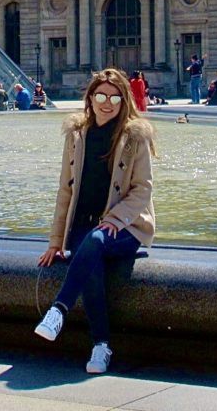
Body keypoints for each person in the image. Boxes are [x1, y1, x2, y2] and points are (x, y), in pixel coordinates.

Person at [35, 69, 157, 375]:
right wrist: (54, 241)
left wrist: (115, 219)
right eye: (101, 95)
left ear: (124, 99)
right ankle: (101, 346)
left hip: (125, 227)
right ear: (90, 98)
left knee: (95, 241)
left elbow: (143, 189)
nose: (107, 103)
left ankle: (58, 309)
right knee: (90, 257)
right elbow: (66, 189)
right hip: (84, 226)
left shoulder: (134, 137)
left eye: (115, 97)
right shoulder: (77, 135)